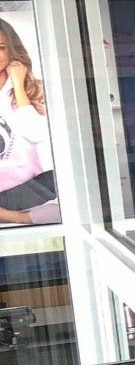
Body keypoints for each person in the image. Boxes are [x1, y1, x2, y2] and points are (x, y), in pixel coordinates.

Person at [0, 18, 57, 225]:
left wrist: (18, 85)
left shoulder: (33, 89)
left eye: (0, 48)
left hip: (34, 188)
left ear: (11, 51)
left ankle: (18, 217)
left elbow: (35, 133)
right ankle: (19, 218)